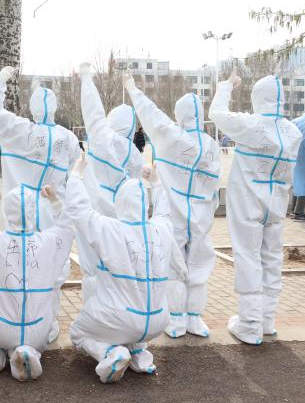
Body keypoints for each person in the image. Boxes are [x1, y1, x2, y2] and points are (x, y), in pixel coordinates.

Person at [65, 161, 186, 383]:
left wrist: (75, 177)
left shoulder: (110, 229)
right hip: (158, 321)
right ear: (145, 205)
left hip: (120, 318)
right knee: (135, 314)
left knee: (78, 332)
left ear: (119, 202)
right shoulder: (160, 228)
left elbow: (79, 209)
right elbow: (164, 211)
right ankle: (140, 356)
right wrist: (156, 182)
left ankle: (112, 353)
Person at [0, 66, 80, 342]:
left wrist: (1, 80)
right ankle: (47, 324)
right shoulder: (68, 138)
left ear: (33, 108)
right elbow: (72, 169)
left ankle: (20, 321)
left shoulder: (20, 130)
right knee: (52, 266)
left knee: (19, 266)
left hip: (20, 212)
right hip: (52, 210)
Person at [124, 75, 220, 338]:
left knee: (174, 267)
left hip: (174, 215)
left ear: (179, 114)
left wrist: (132, 88)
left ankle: (176, 321)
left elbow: (150, 112)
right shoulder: (212, 145)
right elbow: (215, 186)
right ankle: (195, 319)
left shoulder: (171, 135)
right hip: (201, 216)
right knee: (199, 266)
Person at [209, 73, 301, 345]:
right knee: (272, 257)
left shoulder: (250, 125)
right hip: (277, 204)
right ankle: (267, 321)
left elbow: (216, 112)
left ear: (257, 97)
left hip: (248, 202)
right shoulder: (293, 132)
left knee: (248, 256)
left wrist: (226, 86)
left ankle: (249, 324)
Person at [0, 182, 74, 381]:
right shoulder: (48, 241)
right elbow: (68, 226)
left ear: (6, 211)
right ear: (33, 212)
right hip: (37, 330)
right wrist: (54, 199)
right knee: (29, 335)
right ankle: (27, 351)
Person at [78, 62, 143, 302]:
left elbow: (92, 110)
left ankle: (94, 314)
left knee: (92, 267)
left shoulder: (101, 138)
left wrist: (86, 78)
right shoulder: (135, 154)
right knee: (118, 268)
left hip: (94, 212)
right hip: (122, 220)